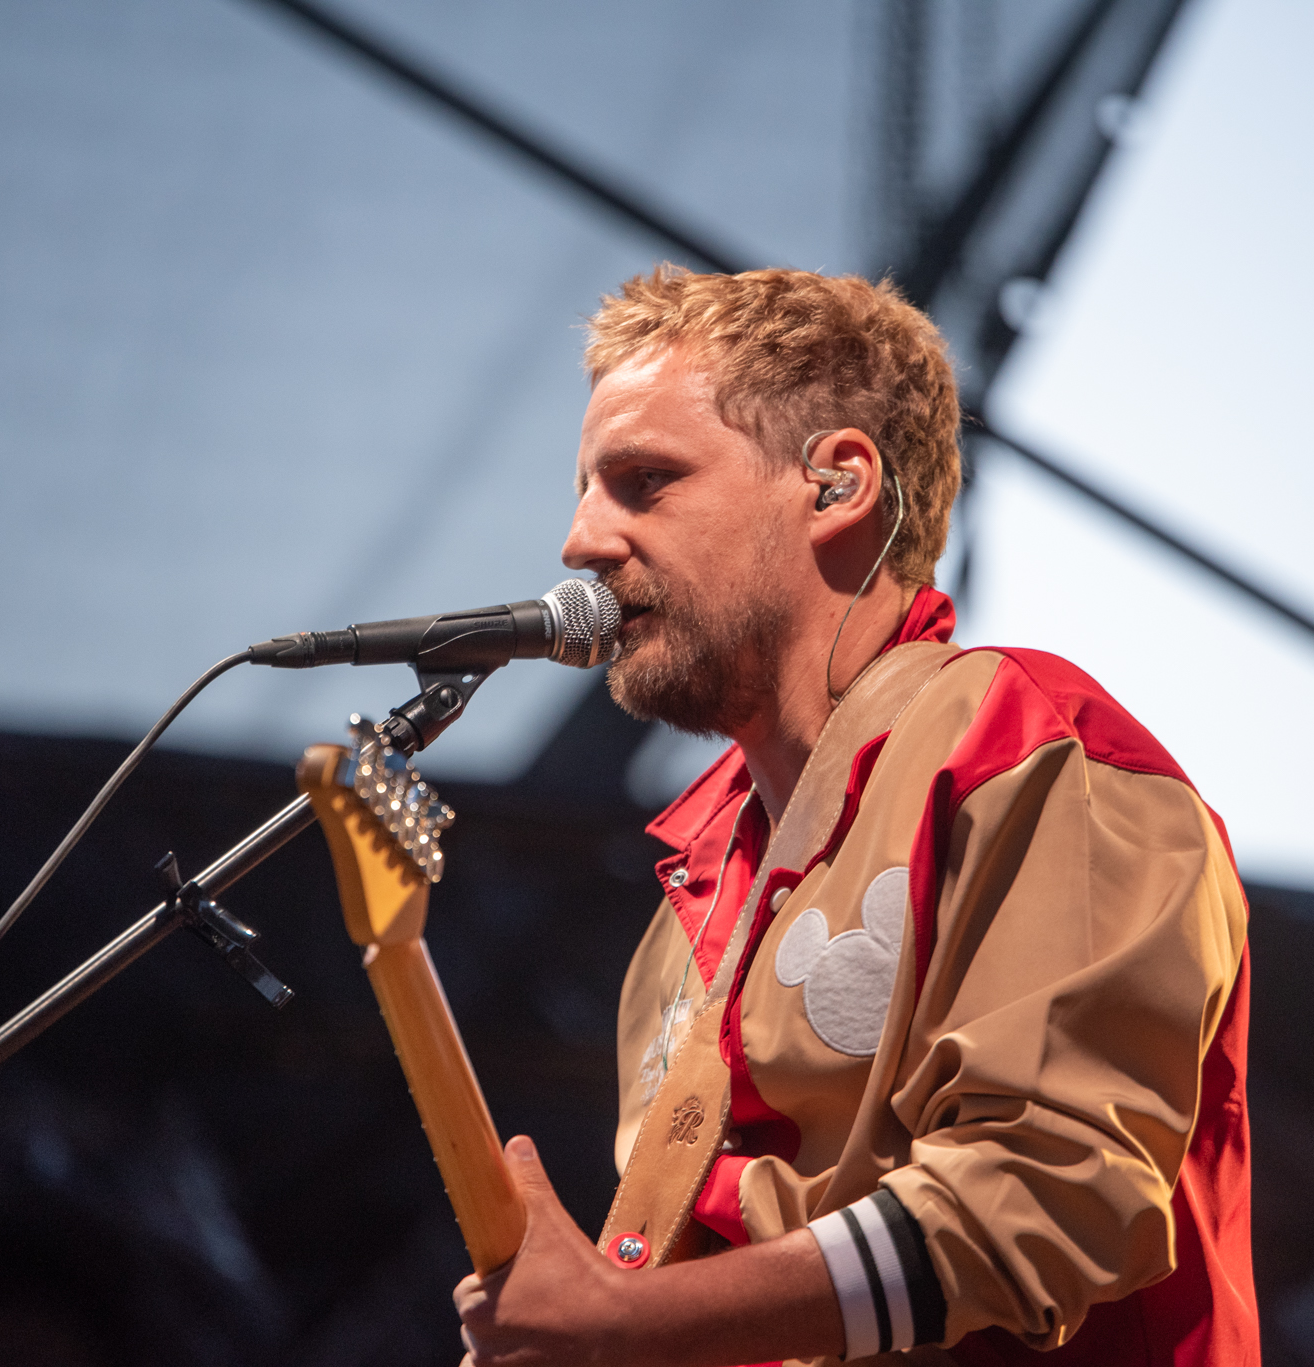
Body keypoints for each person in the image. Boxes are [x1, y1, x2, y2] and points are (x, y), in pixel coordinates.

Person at [453, 267, 1255, 1366]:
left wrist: (622, 1321)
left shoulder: (1029, 747)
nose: (581, 540)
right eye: (587, 489)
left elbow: (1047, 1191)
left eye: (644, 481)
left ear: (836, 484)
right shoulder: (686, 902)